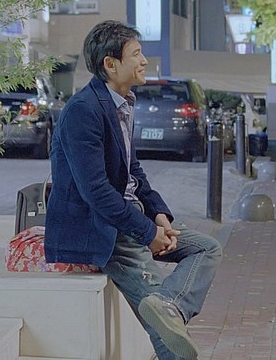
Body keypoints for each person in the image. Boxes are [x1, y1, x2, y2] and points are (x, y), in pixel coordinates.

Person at [45, 20, 222, 360]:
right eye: (136, 54)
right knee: (169, 335)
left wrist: (159, 215)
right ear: (110, 64)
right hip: (102, 230)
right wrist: (147, 233)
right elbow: (96, 192)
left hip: (129, 221)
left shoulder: (122, 103)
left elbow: (133, 172)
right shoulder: (84, 111)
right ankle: (167, 311)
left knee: (206, 248)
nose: (144, 61)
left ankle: (170, 306)